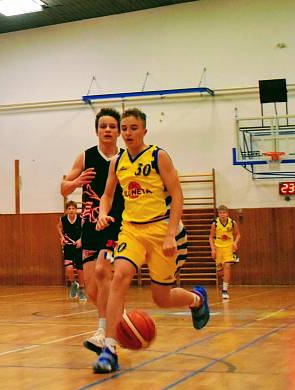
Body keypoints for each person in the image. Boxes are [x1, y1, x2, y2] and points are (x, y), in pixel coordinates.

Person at [93, 108, 208, 374]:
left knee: (162, 298)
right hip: (131, 230)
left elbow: (177, 195)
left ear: (144, 130)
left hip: (160, 230)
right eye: (125, 128)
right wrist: (102, 213)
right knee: (119, 276)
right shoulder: (116, 163)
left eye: (134, 128)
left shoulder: (159, 156)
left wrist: (170, 234)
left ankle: (197, 299)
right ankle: (109, 350)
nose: (128, 133)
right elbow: (108, 195)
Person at [60, 107, 125, 354]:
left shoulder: (126, 157)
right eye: (103, 126)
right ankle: (115, 315)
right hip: (89, 227)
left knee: (102, 271)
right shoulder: (86, 157)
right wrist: (75, 183)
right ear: (96, 130)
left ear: (118, 131)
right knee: (90, 287)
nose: (107, 130)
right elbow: (64, 189)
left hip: (115, 226)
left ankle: (103, 330)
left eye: (111, 126)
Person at [210, 205, 241, 299]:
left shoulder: (232, 223)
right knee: (220, 272)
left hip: (228, 248)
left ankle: (224, 290)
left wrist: (235, 243)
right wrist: (212, 249)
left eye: (224, 213)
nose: (222, 214)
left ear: (227, 213)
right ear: (218, 214)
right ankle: (225, 282)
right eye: (220, 213)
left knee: (227, 266)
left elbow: (238, 234)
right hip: (218, 248)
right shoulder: (215, 223)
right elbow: (210, 237)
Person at [57, 201, 83, 299]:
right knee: (69, 268)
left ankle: (81, 289)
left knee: (80, 270)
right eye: (69, 209)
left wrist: (81, 240)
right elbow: (58, 227)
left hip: (79, 246)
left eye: (73, 208)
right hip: (68, 246)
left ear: (76, 210)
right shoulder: (63, 219)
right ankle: (73, 284)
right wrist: (62, 237)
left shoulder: (81, 219)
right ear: (67, 210)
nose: (71, 210)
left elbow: (85, 231)